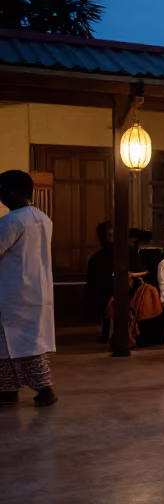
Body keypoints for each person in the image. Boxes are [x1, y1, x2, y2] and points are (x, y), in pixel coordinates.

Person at [0, 170, 57, 407]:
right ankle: (9, 389)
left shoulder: (12, 221)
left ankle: (44, 390)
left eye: (2, 191)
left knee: (12, 344)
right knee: (28, 344)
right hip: (37, 291)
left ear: (14, 192)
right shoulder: (43, 217)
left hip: (14, 293)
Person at [84, 220, 115, 340]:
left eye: (110, 236)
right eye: (105, 236)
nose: (107, 239)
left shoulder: (122, 254)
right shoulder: (96, 260)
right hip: (103, 293)